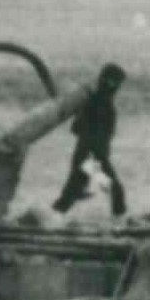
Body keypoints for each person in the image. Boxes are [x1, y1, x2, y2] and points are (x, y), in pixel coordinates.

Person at [52, 63, 130, 217]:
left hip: (86, 158)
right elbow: (91, 134)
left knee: (71, 194)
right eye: (116, 83)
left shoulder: (93, 101)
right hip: (92, 159)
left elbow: (75, 128)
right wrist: (98, 157)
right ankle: (119, 222)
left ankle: (48, 218)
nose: (117, 88)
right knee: (115, 191)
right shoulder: (102, 103)